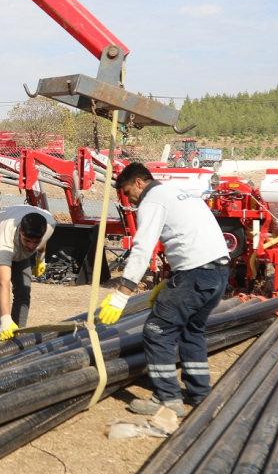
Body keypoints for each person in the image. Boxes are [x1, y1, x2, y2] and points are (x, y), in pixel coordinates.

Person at [97, 162, 229, 417]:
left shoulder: (152, 201)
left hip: (195, 274)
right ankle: (200, 392)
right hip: (218, 273)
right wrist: (170, 280)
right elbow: (190, 236)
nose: (129, 198)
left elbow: (143, 247)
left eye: (127, 191)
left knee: (157, 331)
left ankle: (167, 399)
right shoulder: (179, 193)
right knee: (192, 331)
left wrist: (122, 293)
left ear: (138, 182)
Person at [0, 205, 55, 344]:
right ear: (21, 231)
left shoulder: (50, 224)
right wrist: (5, 319)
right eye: (27, 240)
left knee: (23, 290)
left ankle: (18, 337)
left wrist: (40, 258)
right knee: (0, 291)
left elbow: (43, 241)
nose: (31, 246)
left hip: (16, 244)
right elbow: (3, 283)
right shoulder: (5, 237)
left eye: (35, 242)